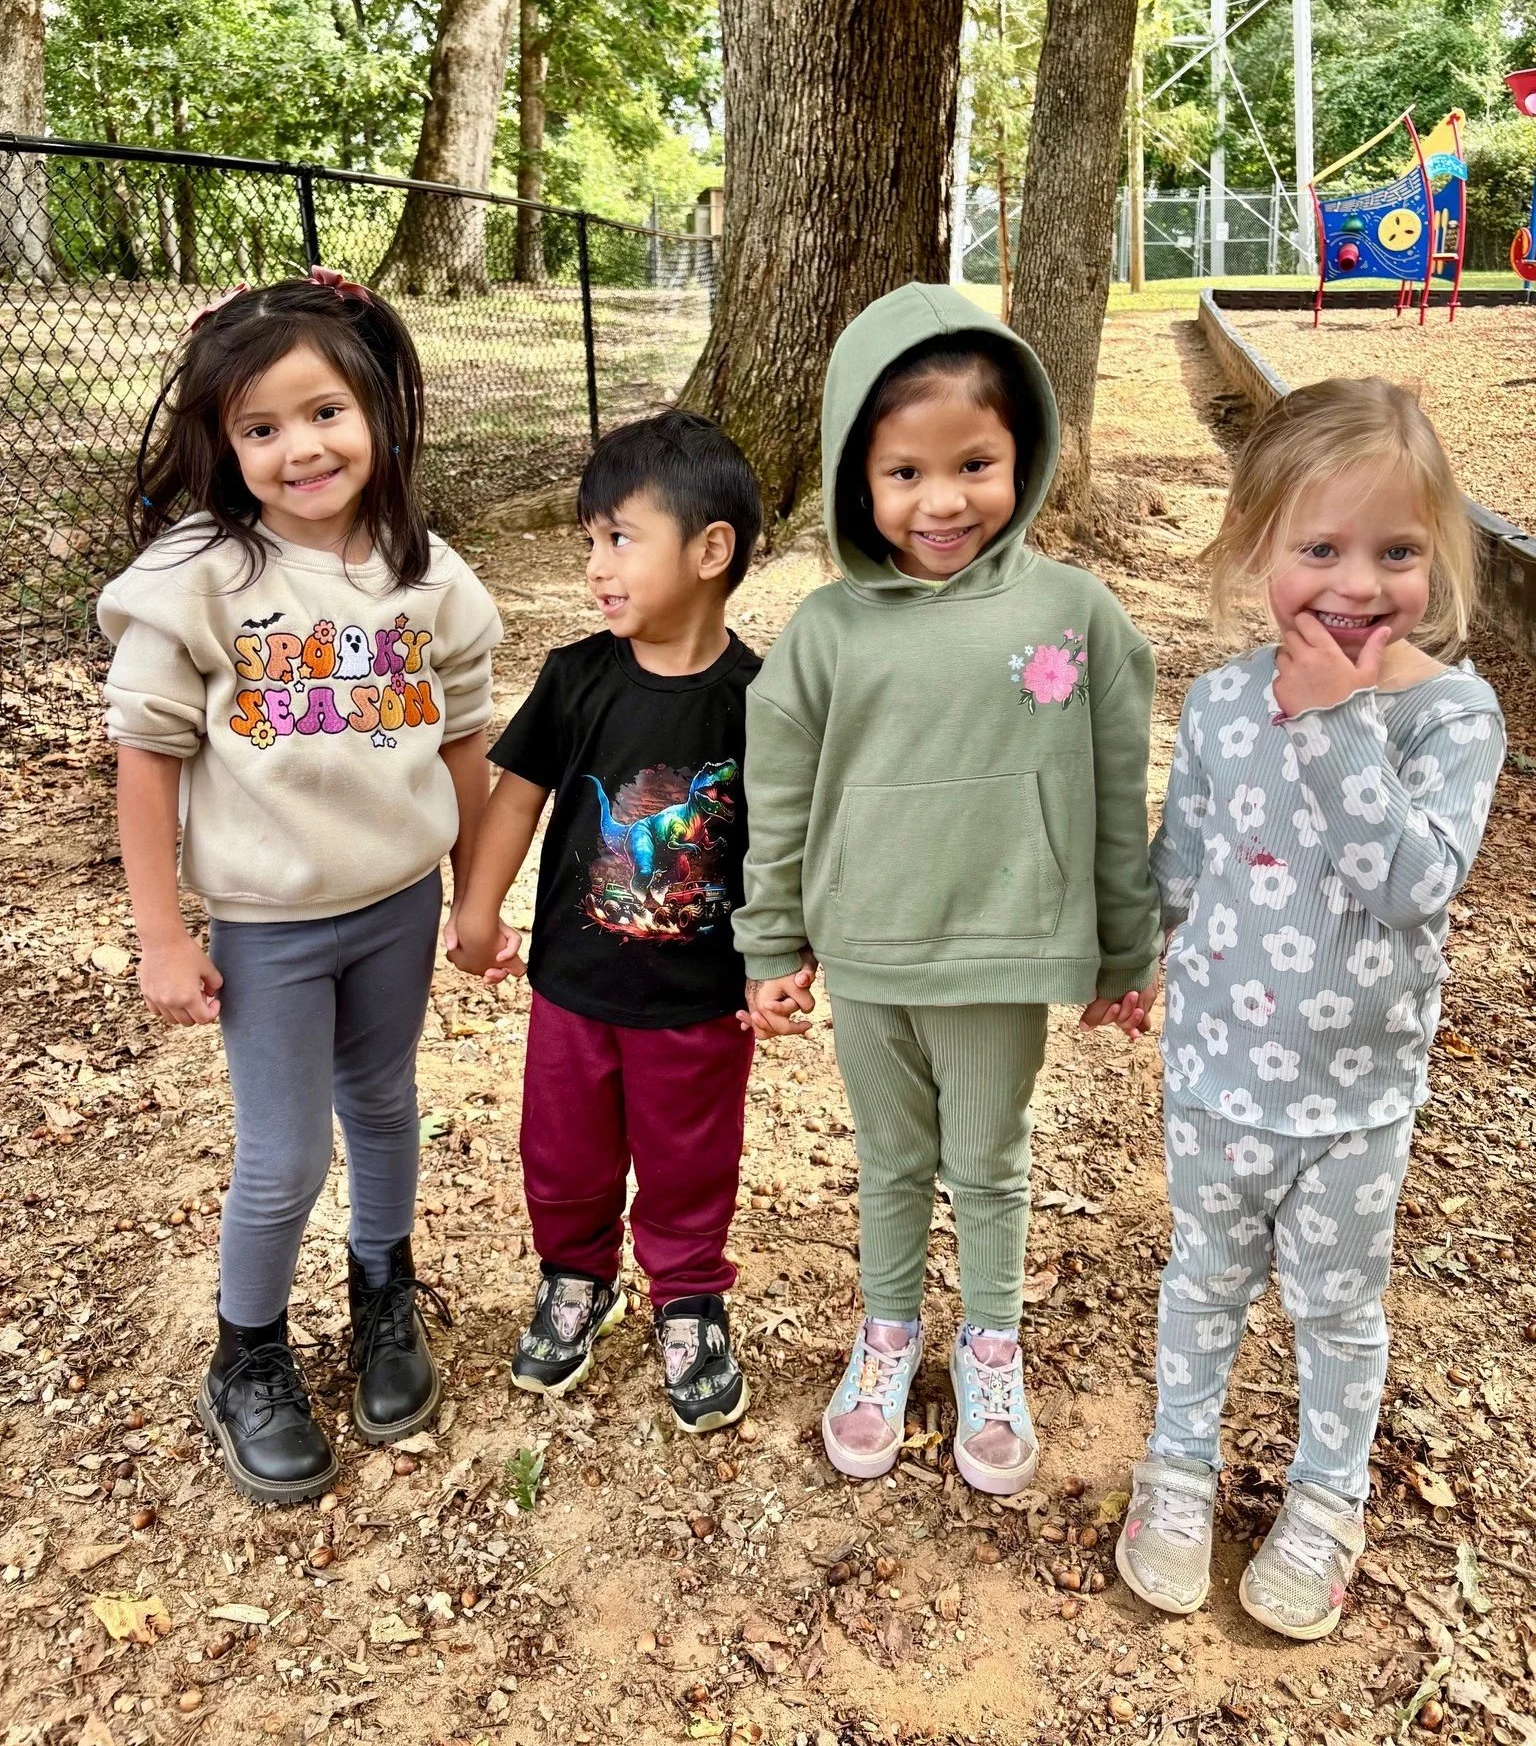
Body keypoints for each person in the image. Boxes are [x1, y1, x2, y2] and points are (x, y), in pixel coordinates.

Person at [734, 283, 1161, 1494]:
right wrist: (771, 946)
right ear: (855, 480)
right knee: (890, 1160)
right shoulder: (826, 632)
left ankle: (990, 1341)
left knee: (990, 1159)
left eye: (975, 463)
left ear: (1020, 454)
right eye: (905, 472)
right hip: (869, 952)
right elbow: (777, 800)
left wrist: (1125, 950)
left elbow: (1113, 780)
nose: (942, 500)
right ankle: (886, 1336)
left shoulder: (1073, 613)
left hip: (1000, 952)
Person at [99, 272, 502, 1504]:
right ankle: (249, 1354)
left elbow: (466, 744)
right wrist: (163, 935)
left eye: (322, 412)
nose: (298, 448)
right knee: (283, 1157)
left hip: (396, 907)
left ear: (377, 411)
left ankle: (385, 1295)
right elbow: (148, 762)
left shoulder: (426, 576)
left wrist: (477, 896)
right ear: (225, 445)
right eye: (259, 428)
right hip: (270, 929)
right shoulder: (202, 577)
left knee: (382, 1106)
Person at [1117, 376, 1503, 1640]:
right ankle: (1177, 1471)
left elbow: (1417, 884)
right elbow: (1188, 849)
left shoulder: (1449, 714)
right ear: (1256, 548)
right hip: (1217, 1075)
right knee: (1204, 1278)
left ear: (1438, 558)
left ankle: (1328, 1497)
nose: (1356, 584)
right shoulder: (1225, 701)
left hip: (1358, 1097)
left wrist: (1341, 727)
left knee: (1336, 1307)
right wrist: (1143, 951)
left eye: (1396, 551)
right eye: (1319, 548)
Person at [450, 411, 764, 1432]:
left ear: (710, 550)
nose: (596, 565)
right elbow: (517, 798)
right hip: (572, 988)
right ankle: (575, 1277)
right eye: (591, 540)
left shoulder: (761, 700)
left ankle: (687, 1296)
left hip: (699, 1002)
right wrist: (477, 905)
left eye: (620, 538)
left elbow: (788, 841)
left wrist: (783, 957)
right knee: (564, 1151)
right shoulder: (577, 676)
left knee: (689, 1158)